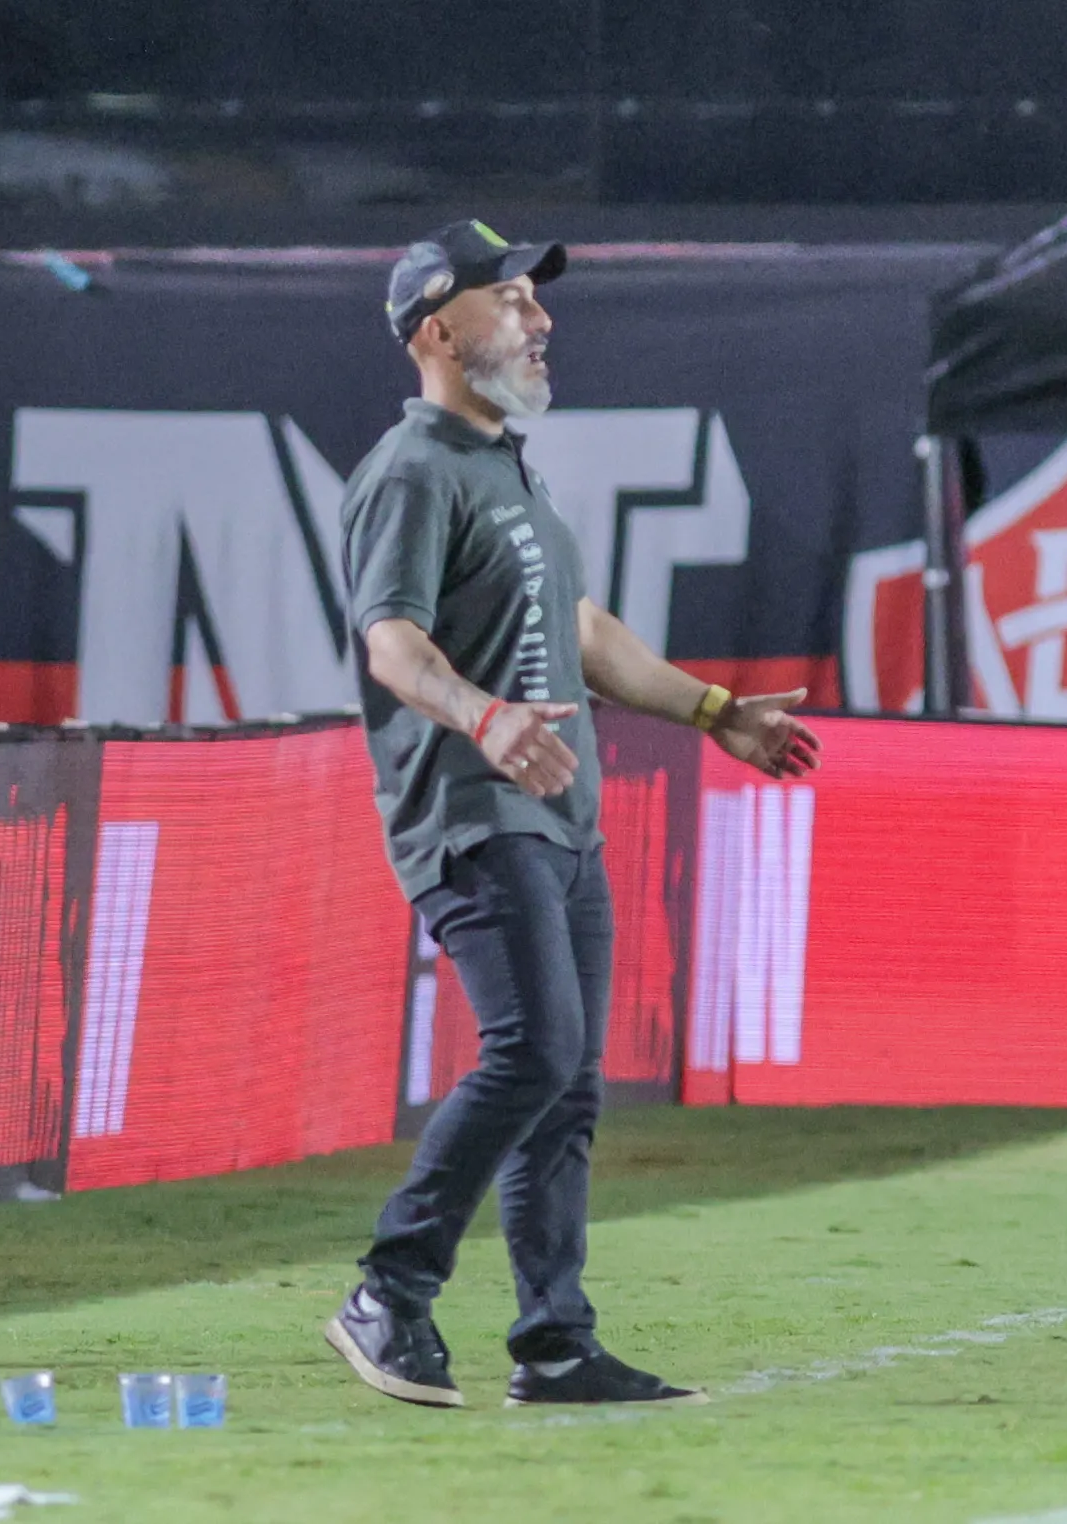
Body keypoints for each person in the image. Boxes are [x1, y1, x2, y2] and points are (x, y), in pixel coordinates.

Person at [326, 220, 823, 1408]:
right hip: (472, 811)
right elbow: (390, 641)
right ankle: (388, 1292)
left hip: (558, 820)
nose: (540, 320)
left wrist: (714, 711)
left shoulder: (504, 467)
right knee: (535, 1051)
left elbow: (585, 633)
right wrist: (482, 715)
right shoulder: (411, 469)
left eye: (535, 300)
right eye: (510, 300)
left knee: (567, 1085)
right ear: (438, 333)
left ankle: (553, 1343)